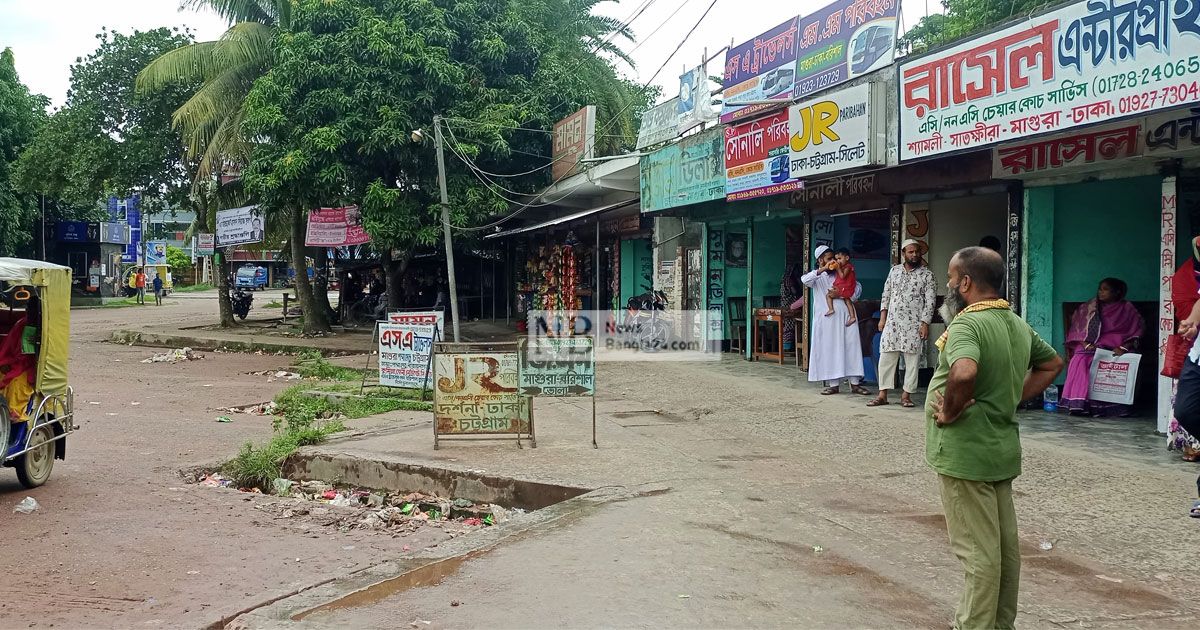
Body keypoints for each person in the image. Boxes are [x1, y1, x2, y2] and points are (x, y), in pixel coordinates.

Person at [927, 246, 1063, 630]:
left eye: (951, 279)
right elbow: (1052, 362)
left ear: (966, 283)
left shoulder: (967, 324)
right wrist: (1010, 396)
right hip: (999, 451)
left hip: (966, 453)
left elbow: (965, 371)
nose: (948, 287)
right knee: (1004, 551)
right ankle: (1001, 624)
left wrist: (950, 411)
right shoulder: (1015, 322)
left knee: (978, 554)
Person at [1060, 278, 1144, 417]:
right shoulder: (1090, 307)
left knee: (1122, 359)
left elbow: (1137, 331)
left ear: (1116, 292)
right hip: (1091, 345)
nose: (1100, 292)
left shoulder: (1127, 308)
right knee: (1080, 357)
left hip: (1117, 346)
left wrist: (1123, 347)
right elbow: (1077, 329)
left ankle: (1109, 407)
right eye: (1100, 288)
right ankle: (1080, 404)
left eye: (1105, 289)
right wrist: (1086, 344)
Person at [870, 239, 936, 408]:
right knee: (886, 357)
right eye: (910, 252)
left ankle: (906, 396)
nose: (914, 255)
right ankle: (882, 394)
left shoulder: (927, 275)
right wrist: (882, 318)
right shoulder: (895, 271)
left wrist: (925, 323)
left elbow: (930, 301)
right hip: (892, 323)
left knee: (912, 361)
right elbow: (886, 295)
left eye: (917, 252)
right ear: (903, 254)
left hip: (914, 324)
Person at [802, 245, 868, 396]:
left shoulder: (843, 272)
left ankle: (855, 384)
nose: (833, 261)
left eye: (834, 258)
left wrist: (843, 292)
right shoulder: (817, 277)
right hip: (828, 321)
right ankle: (834, 385)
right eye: (829, 259)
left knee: (852, 348)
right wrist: (823, 269)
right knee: (831, 350)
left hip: (847, 317)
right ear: (820, 260)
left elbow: (857, 291)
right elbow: (805, 280)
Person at [825, 248, 858, 326]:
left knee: (828, 295)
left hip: (846, 288)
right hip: (846, 289)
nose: (838, 261)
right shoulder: (844, 266)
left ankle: (831, 309)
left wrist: (838, 268)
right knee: (847, 301)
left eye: (840, 258)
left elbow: (842, 276)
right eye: (837, 259)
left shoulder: (848, 267)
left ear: (847, 258)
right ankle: (852, 317)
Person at [780, 263, 803, 351]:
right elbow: (795, 292)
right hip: (789, 305)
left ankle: (788, 346)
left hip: (788, 305)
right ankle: (788, 346)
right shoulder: (789, 281)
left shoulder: (784, 279)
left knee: (788, 324)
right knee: (789, 324)